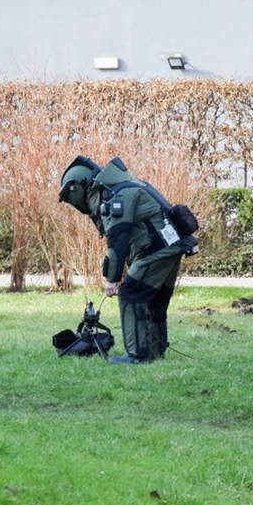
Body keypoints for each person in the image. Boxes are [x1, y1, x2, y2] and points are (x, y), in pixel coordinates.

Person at [58, 155, 188, 364]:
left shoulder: (115, 196)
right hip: (171, 247)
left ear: (77, 188)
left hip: (155, 250)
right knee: (154, 301)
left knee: (130, 294)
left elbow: (118, 237)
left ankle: (136, 355)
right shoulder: (126, 187)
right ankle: (156, 353)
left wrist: (112, 278)